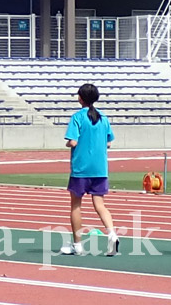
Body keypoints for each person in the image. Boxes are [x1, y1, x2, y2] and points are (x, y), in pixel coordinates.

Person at [62, 83, 120, 257]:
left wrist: (69, 144)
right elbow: (109, 141)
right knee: (100, 205)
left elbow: (72, 141)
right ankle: (112, 233)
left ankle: (77, 245)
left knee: (76, 206)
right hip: (100, 168)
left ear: (80, 98)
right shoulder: (103, 118)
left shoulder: (77, 117)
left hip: (81, 168)